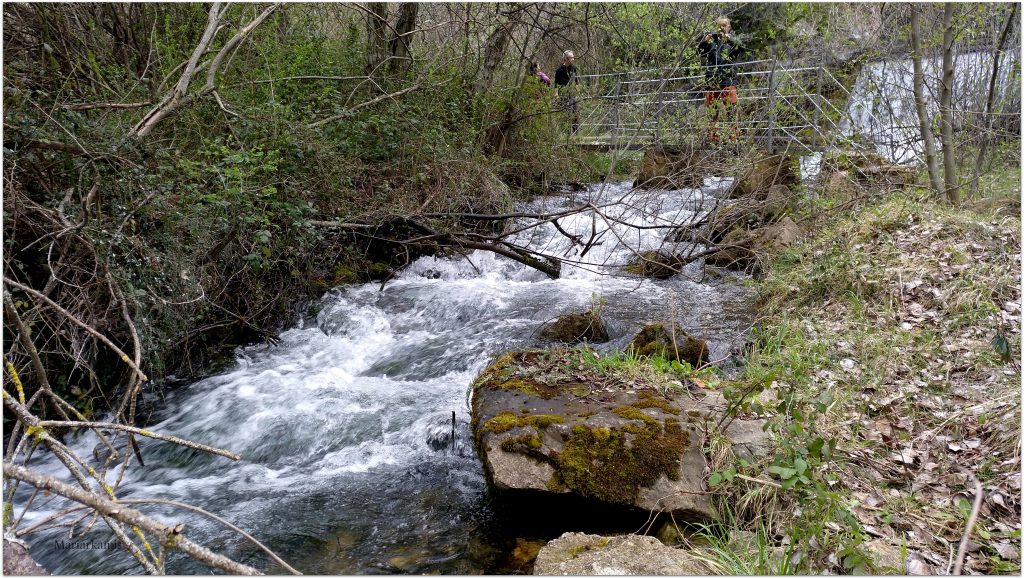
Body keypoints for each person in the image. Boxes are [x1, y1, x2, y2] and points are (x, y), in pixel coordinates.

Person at [697, 17, 744, 142]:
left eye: (725, 25)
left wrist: (731, 39)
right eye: (720, 26)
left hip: (728, 81)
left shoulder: (733, 42)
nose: (722, 28)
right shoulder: (711, 42)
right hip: (712, 81)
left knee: (731, 110)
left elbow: (742, 49)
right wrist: (704, 41)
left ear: (729, 27)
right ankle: (713, 139)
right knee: (712, 111)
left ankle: (734, 139)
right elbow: (700, 52)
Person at [554, 50, 580, 134]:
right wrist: (556, 95)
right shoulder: (559, 71)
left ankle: (576, 134)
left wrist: (579, 92)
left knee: (575, 114)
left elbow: (576, 82)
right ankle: (566, 133)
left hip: (573, 94)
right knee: (566, 114)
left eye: (573, 57)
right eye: (571, 57)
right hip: (564, 95)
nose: (573, 59)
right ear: (566, 58)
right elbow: (556, 85)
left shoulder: (574, 68)